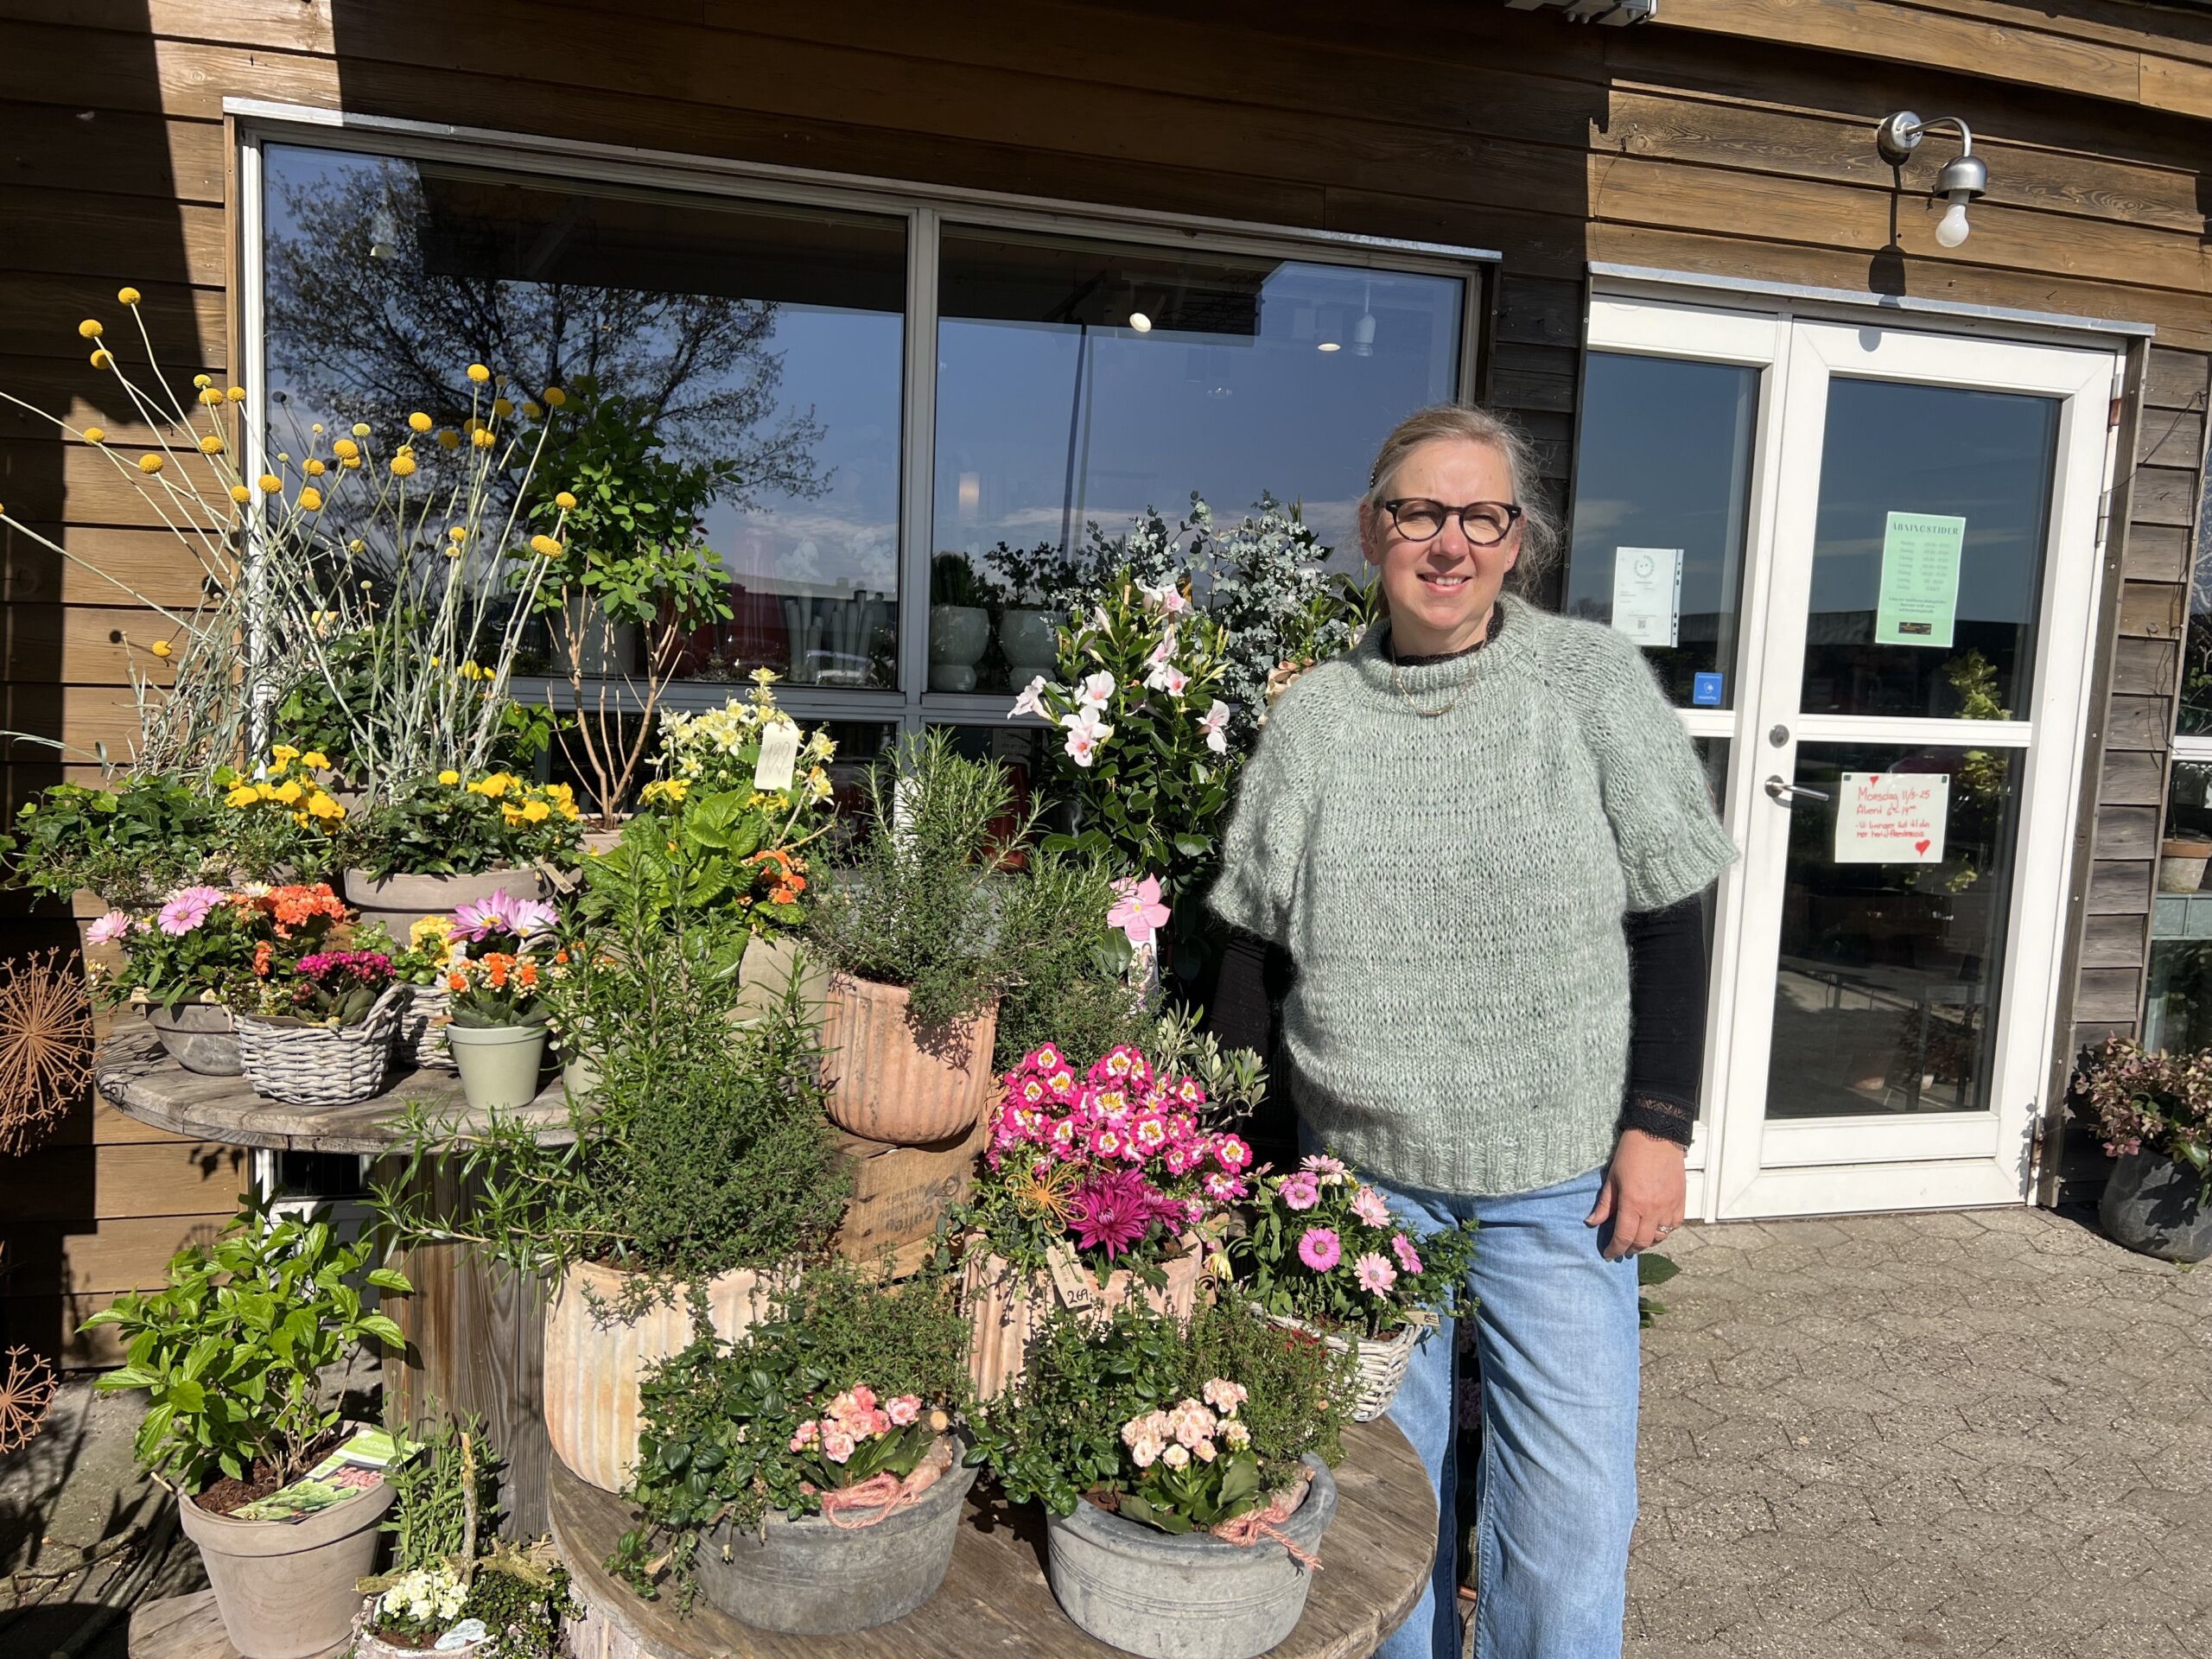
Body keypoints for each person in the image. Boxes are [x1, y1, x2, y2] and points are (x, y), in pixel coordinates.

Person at [1206, 404, 1736, 1659]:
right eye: (1419, 514)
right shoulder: (1318, 719)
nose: (1449, 543)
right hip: (1365, 1187)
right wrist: (1248, 1163)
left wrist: (1658, 1125)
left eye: (1479, 516)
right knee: (1386, 1510)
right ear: (1375, 531)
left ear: (1517, 542)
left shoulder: (1591, 686)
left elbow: (1673, 913)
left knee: (1571, 1517)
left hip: (1559, 1186)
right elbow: (1252, 948)